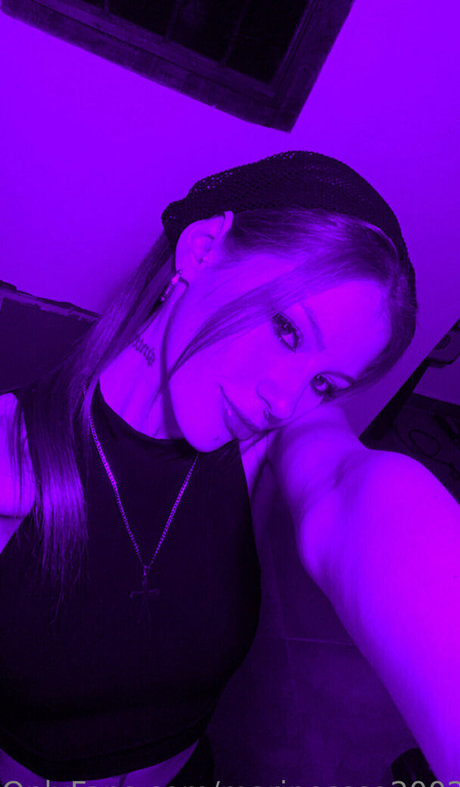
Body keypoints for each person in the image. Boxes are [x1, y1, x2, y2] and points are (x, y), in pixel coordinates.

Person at [0, 151, 458, 787]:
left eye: (324, 383)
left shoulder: (264, 441)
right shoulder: (17, 450)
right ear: (201, 249)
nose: (285, 400)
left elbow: (352, 490)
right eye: (287, 330)